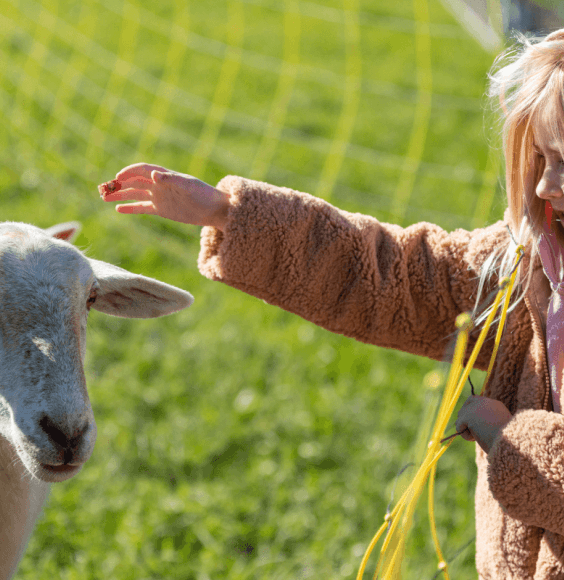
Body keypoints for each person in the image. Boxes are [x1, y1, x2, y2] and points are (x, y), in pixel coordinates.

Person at [101, 30, 564, 579]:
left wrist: (507, 440)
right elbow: (395, 278)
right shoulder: (530, 264)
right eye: (542, 156)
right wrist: (230, 214)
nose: (543, 185)